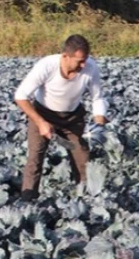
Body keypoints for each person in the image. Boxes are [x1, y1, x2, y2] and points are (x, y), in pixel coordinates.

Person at [14, 34, 108, 201]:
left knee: (81, 156)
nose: (83, 65)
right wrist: (41, 122)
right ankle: (28, 199)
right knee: (36, 156)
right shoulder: (46, 66)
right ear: (65, 56)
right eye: (79, 61)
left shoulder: (90, 67)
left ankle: (86, 199)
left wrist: (99, 123)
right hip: (43, 114)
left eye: (85, 60)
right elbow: (20, 96)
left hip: (72, 118)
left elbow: (98, 97)